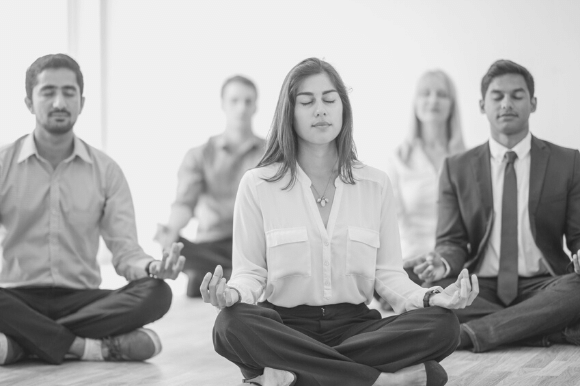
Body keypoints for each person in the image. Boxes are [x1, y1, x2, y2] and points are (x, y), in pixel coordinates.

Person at [201, 58, 479, 386]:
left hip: (356, 327)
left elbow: (388, 275)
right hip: (285, 326)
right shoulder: (257, 184)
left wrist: (433, 297)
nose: (321, 110)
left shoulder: (375, 184)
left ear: (343, 109)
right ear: (288, 112)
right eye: (307, 102)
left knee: (444, 325)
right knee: (230, 325)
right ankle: (382, 381)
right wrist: (232, 294)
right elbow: (250, 273)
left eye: (330, 100)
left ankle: (288, 377)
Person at [0, 54, 185, 366]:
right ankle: (86, 348)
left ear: (81, 102)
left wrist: (153, 267)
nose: (59, 101)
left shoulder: (106, 171)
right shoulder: (3, 164)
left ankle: (24, 344)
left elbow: (125, 251)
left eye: (69, 92)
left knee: (157, 293)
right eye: (48, 92)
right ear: (29, 102)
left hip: (82, 300)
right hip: (16, 297)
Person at [405, 59, 580, 353]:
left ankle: (467, 335)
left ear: (533, 103)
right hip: (478, 286)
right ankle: (543, 328)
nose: (506, 103)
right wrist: (442, 263)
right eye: (497, 96)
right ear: (482, 105)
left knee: (577, 288)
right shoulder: (456, 168)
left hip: (544, 284)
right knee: (412, 283)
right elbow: (451, 241)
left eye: (517, 95)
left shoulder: (568, 162)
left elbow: (577, 237)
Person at [154, 75, 265, 297]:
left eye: (247, 101)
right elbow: (184, 203)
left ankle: (218, 275)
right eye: (234, 101)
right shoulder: (199, 155)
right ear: (223, 104)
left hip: (254, 244)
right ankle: (234, 275)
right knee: (175, 244)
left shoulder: (271, 153)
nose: (241, 108)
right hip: (211, 244)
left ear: (255, 106)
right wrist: (171, 232)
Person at [387, 70, 465, 284]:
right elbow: (388, 224)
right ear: (415, 102)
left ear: (452, 104)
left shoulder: (467, 159)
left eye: (442, 94)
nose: (433, 100)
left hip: (453, 266)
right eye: (425, 93)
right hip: (410, 263)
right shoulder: (398, 159)